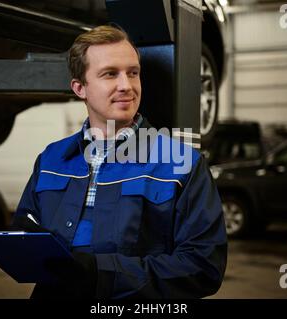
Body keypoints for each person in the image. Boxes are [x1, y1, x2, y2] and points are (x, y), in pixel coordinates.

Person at [12, 25, 227, 299]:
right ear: (80, 88)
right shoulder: (51, 159)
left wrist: (100, 274)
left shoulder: (182, 164)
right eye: (110, 74)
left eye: (133, 73)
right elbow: (24, 229)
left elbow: (204, 266)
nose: (126, 85)